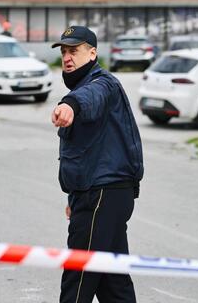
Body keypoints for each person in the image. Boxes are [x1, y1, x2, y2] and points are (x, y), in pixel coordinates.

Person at [51, 26, 143, 303]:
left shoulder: (102, 84)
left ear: (92, 53)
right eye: (64, 52)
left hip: (101, 196)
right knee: (113, 285)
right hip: (101, 195)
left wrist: (70, 105)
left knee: (78, 279)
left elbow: (91, 97)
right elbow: (86, 152)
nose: (67, 58)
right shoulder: (85, 85)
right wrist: (74, 196)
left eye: (74, 51)